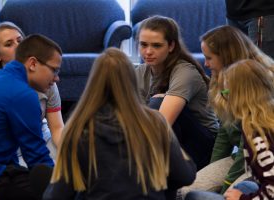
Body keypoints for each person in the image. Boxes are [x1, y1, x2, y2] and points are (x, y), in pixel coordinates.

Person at [43, 47, 196, 200]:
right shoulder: (155, 123)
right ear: (132, 81)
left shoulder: (78, 129)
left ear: (93, 83)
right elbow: (186, 176)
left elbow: (57, 195)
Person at [179, 25, 274, 199]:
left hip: (255, 160)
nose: (205, 64)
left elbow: (251, 147)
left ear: (227, 56)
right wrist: (212, 171)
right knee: (187, 191)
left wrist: (226, 186)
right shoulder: (222, 79)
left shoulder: (255, 85)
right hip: (241, 156)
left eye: (209, 58)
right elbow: (224, 132)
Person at [0, 34, 62, 200]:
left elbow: (10, 151)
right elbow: (36, 156)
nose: (56, 78)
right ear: (33, 63)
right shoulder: (22, 94)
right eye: (54, 70)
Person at [134, 15, 219, 170]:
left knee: (158, 104)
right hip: (169, 141)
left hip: (204, 147)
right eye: (143, 45)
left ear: (171, 46)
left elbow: (162, 124)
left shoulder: (185, 71)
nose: (148, 52)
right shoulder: (139, 72)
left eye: (157, 46)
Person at [0, 21, 64, 161]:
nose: (18, 46)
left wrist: (71, 152)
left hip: (40, 134)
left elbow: (57, 128)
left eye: (20, 41)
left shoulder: (48, 79)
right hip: (6, 145)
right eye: (9, 44)